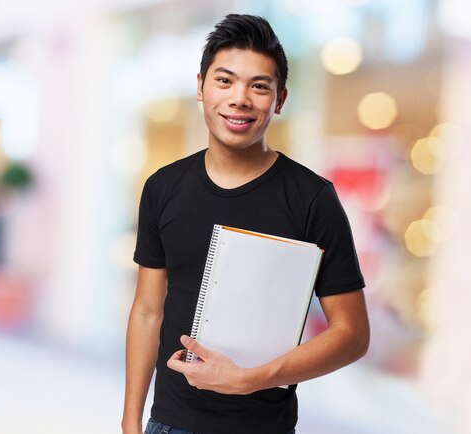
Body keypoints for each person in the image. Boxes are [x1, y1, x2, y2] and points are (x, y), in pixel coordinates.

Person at [122, 14, 370, 434]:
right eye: (225, 80)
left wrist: (251, 379)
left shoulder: (312, 199)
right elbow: (148, 311)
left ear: (280, 99)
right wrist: (131, 422)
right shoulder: (163, 188)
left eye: (259, 86)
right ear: (200, 87)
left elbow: (352, 334)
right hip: (168, 424)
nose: (240, 98)